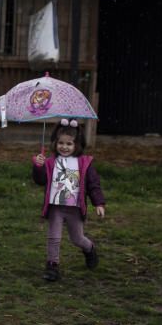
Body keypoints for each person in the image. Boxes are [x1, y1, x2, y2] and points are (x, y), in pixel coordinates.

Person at [32, 119, 106, 282]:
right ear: (55, 143)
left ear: (77, 145)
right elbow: (41, 180)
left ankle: (89, 249)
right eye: (61, 143)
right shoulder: (50, 162)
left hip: (75, 208)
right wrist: (39, 167)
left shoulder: (84, 164)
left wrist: (98, 203)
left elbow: (93, 185)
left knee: (77, 238)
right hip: (55, 207)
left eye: (69, 144)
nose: (64, 147)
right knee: (54, 237)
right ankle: (52, 266)